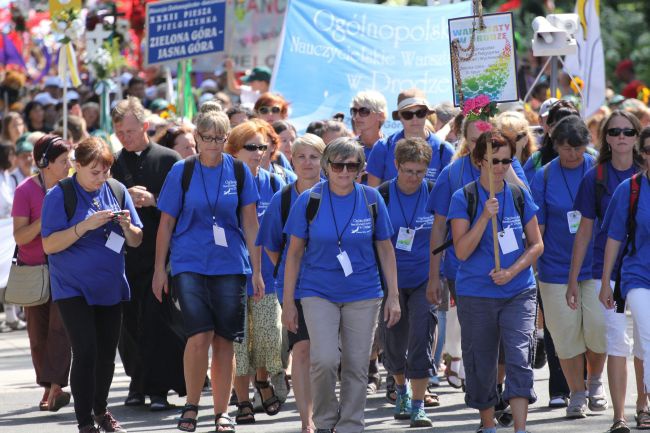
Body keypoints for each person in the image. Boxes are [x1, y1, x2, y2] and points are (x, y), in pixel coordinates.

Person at [282, 137, 401, 433]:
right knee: (323, 360)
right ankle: (324, 422)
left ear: (361, 168)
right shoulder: (309, 200)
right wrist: (287, 303)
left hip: (364, 292)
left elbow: (386, 249)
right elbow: (293, 254)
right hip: (316, 290)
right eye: (338, 165)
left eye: (352, 165)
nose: (345, 171)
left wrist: (393, 296)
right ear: (327, 167)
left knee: (356, 364)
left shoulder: (372, 199)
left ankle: (350, 425)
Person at [153, 110, 262, 433]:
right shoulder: (181, 171)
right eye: (207, 138)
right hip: (189, 262)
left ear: (226, 139)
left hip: (229, 263)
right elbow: (166, 224)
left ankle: (221, 412)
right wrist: (159, 269)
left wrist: (257, 271)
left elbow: (251, 224)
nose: (213, 145)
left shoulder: (240, 171)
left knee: (226, 340)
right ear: (196, 138)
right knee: (199, 334)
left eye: (220, 138)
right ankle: (192, 404)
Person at [41, 136, 143, 433]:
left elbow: (136, 240)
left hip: (110, 286)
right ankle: (85, 421)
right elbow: (49, 244)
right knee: (85, 351)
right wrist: (85, 225)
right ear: (77, 166)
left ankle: (101, 409)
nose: (100, 179)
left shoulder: (116, 190)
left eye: (105, 172)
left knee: (106, 355)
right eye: (94, 172)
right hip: (72, 287)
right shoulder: (60, 195)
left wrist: (128, 227)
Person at [448, 130, 543, 433]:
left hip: (518, 290)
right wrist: (483, 219)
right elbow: (461, 251)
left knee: (518, 356)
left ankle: (520, 428)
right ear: (479, 161)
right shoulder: (464, 197)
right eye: (494, 161)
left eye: (506, 161)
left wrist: (512, 271)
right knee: (481, 362)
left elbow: (536, 244)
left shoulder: (518, 194)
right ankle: (487, 424)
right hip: (476, 293)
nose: (501, 167)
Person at [426, 115, 529, 394]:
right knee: (482, 339)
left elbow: (526, 204)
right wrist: (433, 275)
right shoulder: (453, 172)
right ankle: (486, 394)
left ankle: (498, 387)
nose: (480, 147)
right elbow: (438, 226)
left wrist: (503, 168)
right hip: (464, 272)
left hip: (509, 270)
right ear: (465, 141)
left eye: (485, 140)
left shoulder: (508, 164)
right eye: (473, 141)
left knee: (509, 341)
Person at [110, 97, 186, 410]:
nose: (124, 137)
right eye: (119, 132)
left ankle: (157, 388)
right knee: (128, 325)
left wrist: (154, 200)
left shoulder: (169, 160)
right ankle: (137, 382)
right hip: (123, 256)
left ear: (144, 127)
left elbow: (182, 205)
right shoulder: (112, 162)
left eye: (129, 130)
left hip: (160, 254)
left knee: (157, 321)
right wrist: (124, 199)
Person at [574, 116, 646, 433]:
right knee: (618, 340)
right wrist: (577, 278)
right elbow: (587, 231)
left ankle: (642, 406)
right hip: (614, 275)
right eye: (614, 131)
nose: (621, 136)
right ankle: (619, 417)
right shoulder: (600, 179)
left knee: (644, 339)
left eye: (628, 131)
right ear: (606, 137)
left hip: (641, 275)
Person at [531, 115, 605, 419]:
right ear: (555, 146)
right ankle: (576, 392)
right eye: (566, 149)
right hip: (555, 268)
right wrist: (534, 269)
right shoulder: (544, 175)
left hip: (598, 264)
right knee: (565, 335)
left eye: (578, 148)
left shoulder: (599, 168)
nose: (573, 155)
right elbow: (539, 226)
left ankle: (595, 381)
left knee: (599, 328)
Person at [257, 133, 326, 433]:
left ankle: (328, 413)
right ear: (292, 160)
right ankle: (307, 420)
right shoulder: (282, 198)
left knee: (328, 357)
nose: (308, 163)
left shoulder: (338, 193)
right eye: (301, 156)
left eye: (314, 156)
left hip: (334, 286)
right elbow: (271, 245)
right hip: (296, 288)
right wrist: (289, 273)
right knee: (302, 350)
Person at [225, 120, 285, 424]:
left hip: (268, 273)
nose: (258, 153)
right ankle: (244, 400)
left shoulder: (275, 183)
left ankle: (262, 380)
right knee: (239, 342)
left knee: (268, 335)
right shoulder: (224, 182)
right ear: (234, 150)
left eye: (263, 146)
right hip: (233, 272)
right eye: (251, 147)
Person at [12, 134, 72, 411]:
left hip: (65, 269)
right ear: (45, 163)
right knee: (38, 336)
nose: (69, 165)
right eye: (63, 160)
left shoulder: (72, 189)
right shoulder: (25, 191)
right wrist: (43, 219)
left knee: (61, 330)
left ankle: (57, 386)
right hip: (34, 271)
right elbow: (21, 237)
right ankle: (48, 386)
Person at [380, 137, 436, 428]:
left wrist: (439, 279)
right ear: (397, 166)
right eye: (408, 170)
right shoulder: (382, 195)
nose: (414, 177)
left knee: (421, 339)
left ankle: (418, 404)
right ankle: (400, 389)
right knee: (393, 340)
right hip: (390, 280)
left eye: (420, 171)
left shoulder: (434, 194)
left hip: (425, 279)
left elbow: (443, 240)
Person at [600, 126, 650, 433]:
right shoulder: (630, 189)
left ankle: (642, 405)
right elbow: (615, 238)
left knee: (645, 346)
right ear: (642, 154)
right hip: (637, 276)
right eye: (649, 150)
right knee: (648, 334)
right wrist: (606, 281)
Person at [366, 88, 454, 186]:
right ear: (400, 116)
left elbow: (450, 193)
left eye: (420, 113)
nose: (415, 119)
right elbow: (372, 195)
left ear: (427, 114)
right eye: (407, 114)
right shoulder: (383, 147)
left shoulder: (444, 150)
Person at [0, 143, 26, 333]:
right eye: (10, 155)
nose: (13, 159)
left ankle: (11, 314)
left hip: (7, 230)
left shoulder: (8, 177)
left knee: (9, 272)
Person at [350, 90, 387, 161]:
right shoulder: (347, 148)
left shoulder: (391, 148)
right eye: (354, 111)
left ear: (380, 115)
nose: (357, 116)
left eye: (363, 111)